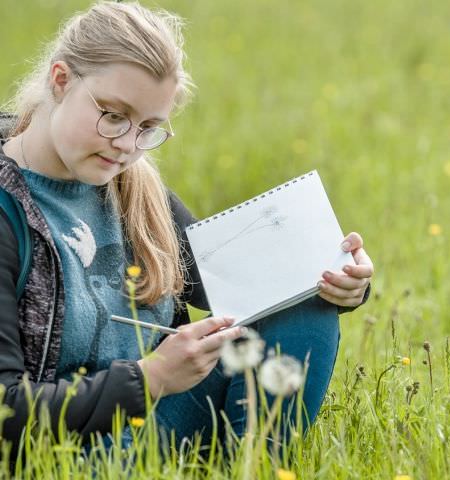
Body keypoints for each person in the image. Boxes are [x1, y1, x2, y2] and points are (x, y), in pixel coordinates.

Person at [0, 1, 373, 460]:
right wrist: (150, 377)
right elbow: (6, 411)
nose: (127, 145)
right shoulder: (7, 208)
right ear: (61, 81)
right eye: (113, 115)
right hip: (59, 453)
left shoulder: (133, 185)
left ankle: (253, 468)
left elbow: (248, 279)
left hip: (157, 424)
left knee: (306, 304)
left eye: (149, 127)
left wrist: (341, 280)